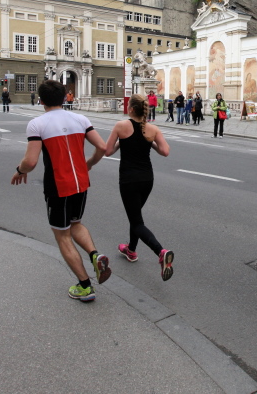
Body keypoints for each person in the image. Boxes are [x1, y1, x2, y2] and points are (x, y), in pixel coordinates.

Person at [10, 80, 111, 302]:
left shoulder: (37, 124)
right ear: (65, 97)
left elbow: (31, 161)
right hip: (80, 182)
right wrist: (89, 164)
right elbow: (103, 147)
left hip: (57, 185)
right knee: (76, 223)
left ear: (41, 100)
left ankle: (85, 287)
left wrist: (19, 171)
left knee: (62, 236)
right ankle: (95, 256)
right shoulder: (81, 119)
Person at [105, 94, 175, 281]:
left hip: (129, 180)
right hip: (147, 179)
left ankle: (161, 252)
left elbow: (108, 151)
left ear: (130, 109)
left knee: (136, 221)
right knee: (135, 216)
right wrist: (150, 143)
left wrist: (122, 142)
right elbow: (165, 151)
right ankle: (131, 250)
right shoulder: (152, 129)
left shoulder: (120, 126)